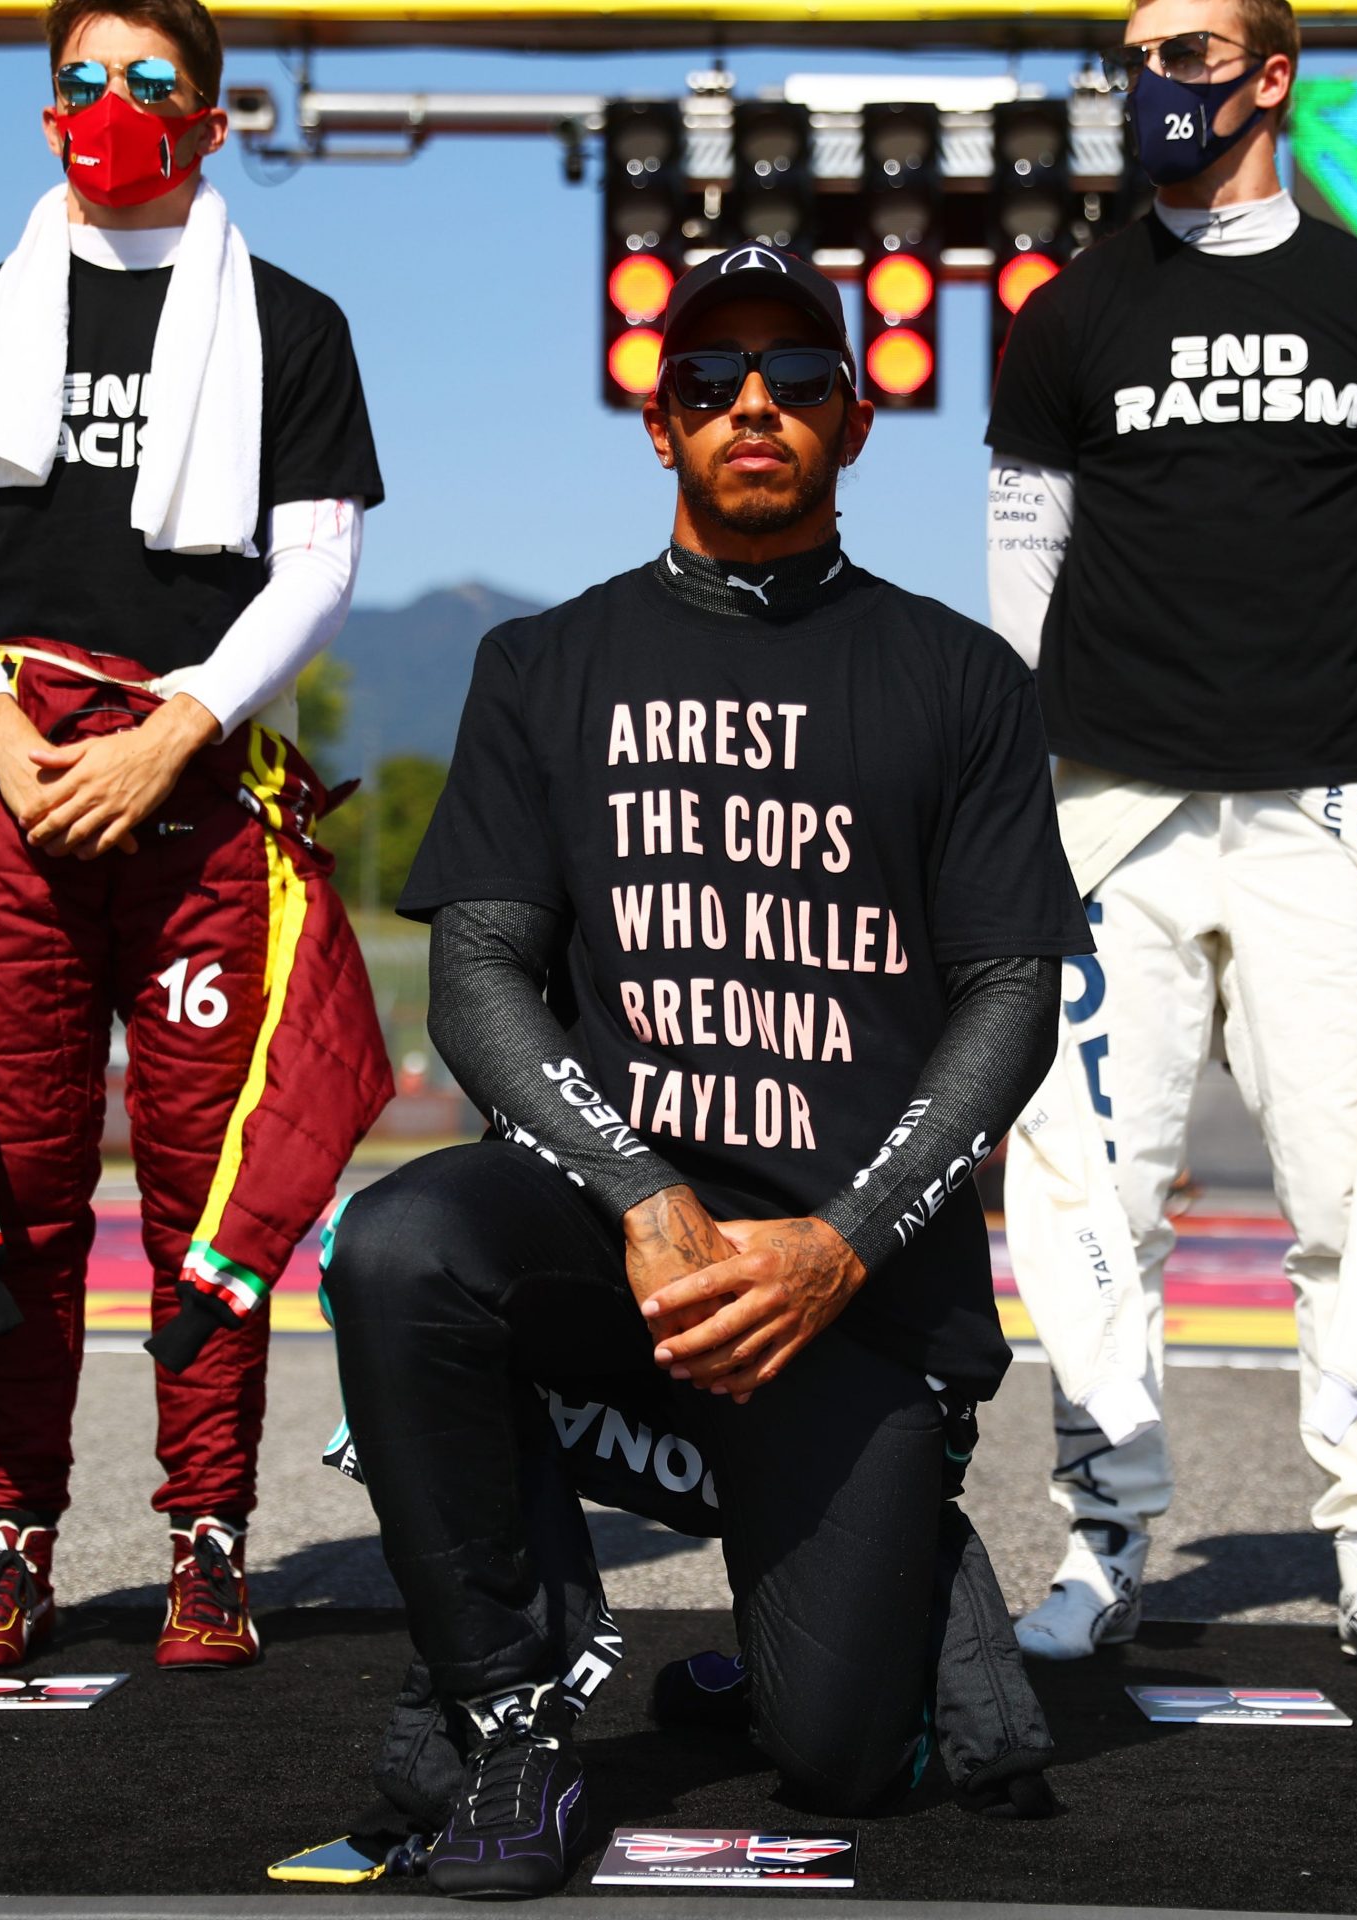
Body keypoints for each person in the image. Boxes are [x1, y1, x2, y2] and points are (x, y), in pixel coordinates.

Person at [323, 244, 1089, 1898]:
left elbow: (1011, 996)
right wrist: (639, 1190)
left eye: (798, 379)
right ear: (659, 425)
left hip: (848, 1282)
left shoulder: (958, 678)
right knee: (397, 1248)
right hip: (621, 1256)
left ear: (855, 421)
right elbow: (478, 977)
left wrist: (845, 1243)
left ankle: (873, 1588)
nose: (756, 403)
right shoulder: (543, 666)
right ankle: (510, 1731)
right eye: (711, 380)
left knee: (838, 1762)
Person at [0, 0, 392, 1676]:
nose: (112, 107)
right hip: (20, 791)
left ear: (214, 124)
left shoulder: (293, 325)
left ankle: (211, 1539)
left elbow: (317, 569)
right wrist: (2, 738)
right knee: (18, 1194)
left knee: (209, 1193)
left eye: (152, 84)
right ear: (43, 108)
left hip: (197, 795)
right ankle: (15, 1542)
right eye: (81, 81)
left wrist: (176, 733)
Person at [985, 0, 1357, 1682]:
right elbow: (1024, 585)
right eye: (1135, 53)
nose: (1159, 84)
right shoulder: (1065, 317)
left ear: (1273, 74)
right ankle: (1106, 1538)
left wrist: (1306, 712)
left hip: (1312, 807)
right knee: (1088, 1193)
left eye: (1192, 52)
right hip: (1109, 817)